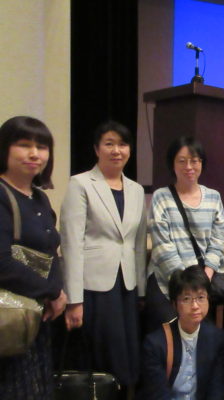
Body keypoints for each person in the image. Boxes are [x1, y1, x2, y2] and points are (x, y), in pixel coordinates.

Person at [60, 121, 147, 395]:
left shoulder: (136, 190)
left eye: (122, 144)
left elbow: (137, 244)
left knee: (126, 356)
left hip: (126, 286)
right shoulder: (81, 184)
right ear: (97, 149)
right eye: (109, 144)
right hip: (94, 288)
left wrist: (141, 291)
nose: (116, 150)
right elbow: (71, 243)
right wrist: (74, 300)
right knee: (100, 358)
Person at [0, 116, 67, 399]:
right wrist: (52, 291)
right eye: (24, 145)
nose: (34, 154)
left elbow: (50, 252)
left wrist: (57, 291)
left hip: (35, 316)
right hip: (7, 318)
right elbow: (2, 262)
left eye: (42, 147)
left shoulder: (40, 198)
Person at [146, 136, 224, 332]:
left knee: (202, 339)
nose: (189, 167)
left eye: (194, 160)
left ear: (202, 163)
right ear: (172, 164)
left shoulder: (214, 197)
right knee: (170, 339)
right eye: (182, 161)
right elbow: (162, 247)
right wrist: (184, 288)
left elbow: (216, 243)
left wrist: (203, 281)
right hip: (168, 283)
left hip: (203, 283)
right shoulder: (161, 197)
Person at [138, 266, 224, 400]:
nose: (195, 306)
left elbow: (216, 391)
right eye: (187, 299)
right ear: (174, 304)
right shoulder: (155, 344)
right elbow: (158, 394)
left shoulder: (218, 339)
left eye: (201, 297)